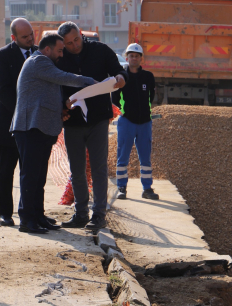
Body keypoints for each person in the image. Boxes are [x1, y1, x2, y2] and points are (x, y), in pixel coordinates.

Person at [10, 33, 96, 234]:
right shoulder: (39, 61)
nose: (61, 54)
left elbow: (47, 93)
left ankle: (38, 216)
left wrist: (61, 109)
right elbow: (64, 78)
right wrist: (91, 82)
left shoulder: (43, 64)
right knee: (30, 176)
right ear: (47, 49)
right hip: (30, 127)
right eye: (59, 50)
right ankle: (27, 219)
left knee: (39, 177)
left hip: (39, 127)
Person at [56, 22, 127, 230]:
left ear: (81, 35)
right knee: (76, 169)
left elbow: (118, 71)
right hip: (73, 122)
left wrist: (121, 78)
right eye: (68, 43)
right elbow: (54, 87)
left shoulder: (100, 50)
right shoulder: (60, 59)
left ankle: (98, 215)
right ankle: (80, 214)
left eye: (76, 39)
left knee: (98, 167)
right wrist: (63, 104)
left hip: (98, 119)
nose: (74, 45)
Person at [0, 18, 41, 227]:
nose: (30, 39)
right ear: (14, 38)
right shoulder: (2, 56)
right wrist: (25, 110)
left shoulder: (40, 55)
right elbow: (2, 91)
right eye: (24, 37)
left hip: (34, 125)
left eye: (31, 34)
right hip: (9, 124)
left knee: (32, 172)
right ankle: (5, 213)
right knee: (6, 170)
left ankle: (31, 212)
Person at [112, 43, 159, 200]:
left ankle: (147, 189)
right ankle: (121, 188)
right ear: (127, 58)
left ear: (141, 58)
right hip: (127, 122)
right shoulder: (121, 77)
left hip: (145, 122)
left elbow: (151, 96)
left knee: (145, 157)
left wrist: (146, 112)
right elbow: (115, 99)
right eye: (131, 56)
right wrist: (124, 112)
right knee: (123, 156)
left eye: (137, 56)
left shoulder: (148, 77)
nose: (134, 58)